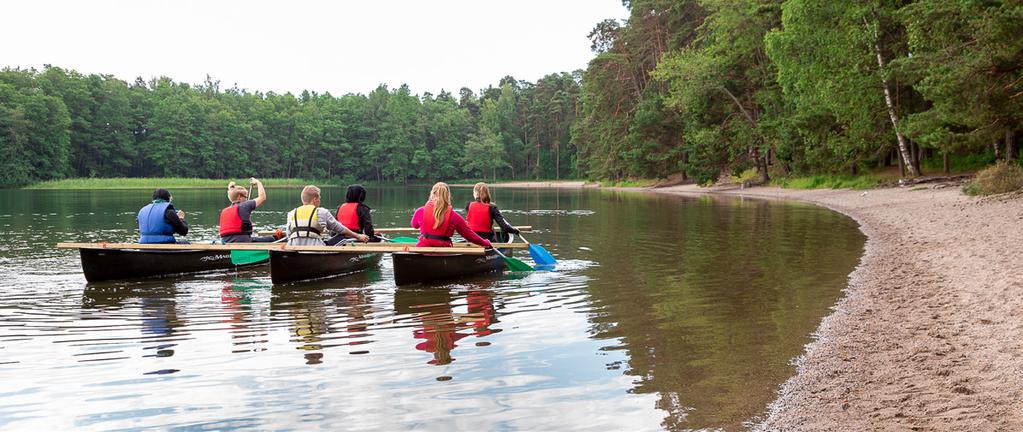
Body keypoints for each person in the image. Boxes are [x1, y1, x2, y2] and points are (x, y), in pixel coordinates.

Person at [410, 182, 492, 248]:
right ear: (448, 196)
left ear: (432, 194)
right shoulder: (454, 216)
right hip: (444, 252)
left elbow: (414, 225)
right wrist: (485, 242)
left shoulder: (420, 211)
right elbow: (469, 235)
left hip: (422, 250)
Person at [286, 185, 369, 246]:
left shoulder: (291, 213)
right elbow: (340, 229)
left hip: (294, 248)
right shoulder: (322, 212)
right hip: (315, 250)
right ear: (315, 199)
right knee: (342, 237)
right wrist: (358, 236)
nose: (320, 200)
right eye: (319, 198)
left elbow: (288, 235)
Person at [219, 178, 283, 243]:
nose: (247, 199)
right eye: (246, 197)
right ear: (239, 197)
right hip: (242, 241)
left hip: (226, 242)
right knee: (273, 238)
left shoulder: (224, 211)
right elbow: (262, 197)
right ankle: (277, 238)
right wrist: (258, 183)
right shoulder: (245, 205)